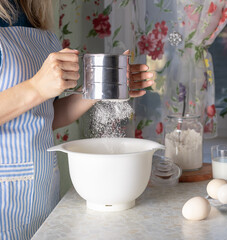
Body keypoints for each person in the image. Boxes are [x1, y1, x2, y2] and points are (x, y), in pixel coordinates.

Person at [0, 1, 154, 239]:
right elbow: (37, 92)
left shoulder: (36, 23)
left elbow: (44, 117)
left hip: (41, 189)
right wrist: (36, 87)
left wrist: (102, 86)